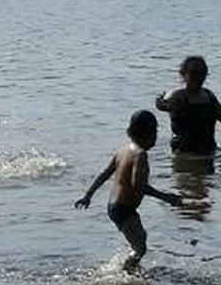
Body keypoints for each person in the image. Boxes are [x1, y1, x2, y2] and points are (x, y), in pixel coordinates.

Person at [75, 110, 186, 270]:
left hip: (114, 206)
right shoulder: (140, 155)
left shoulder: (123, 150)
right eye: (155, 132)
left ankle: (130, 271)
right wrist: (165, 197)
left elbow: (104, 174)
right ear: (147, 134)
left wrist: (88, 195)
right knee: (140, 248)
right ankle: (125, 272)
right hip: (124, 209)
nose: (156, 137)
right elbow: (138, 185)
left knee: (140, 239)